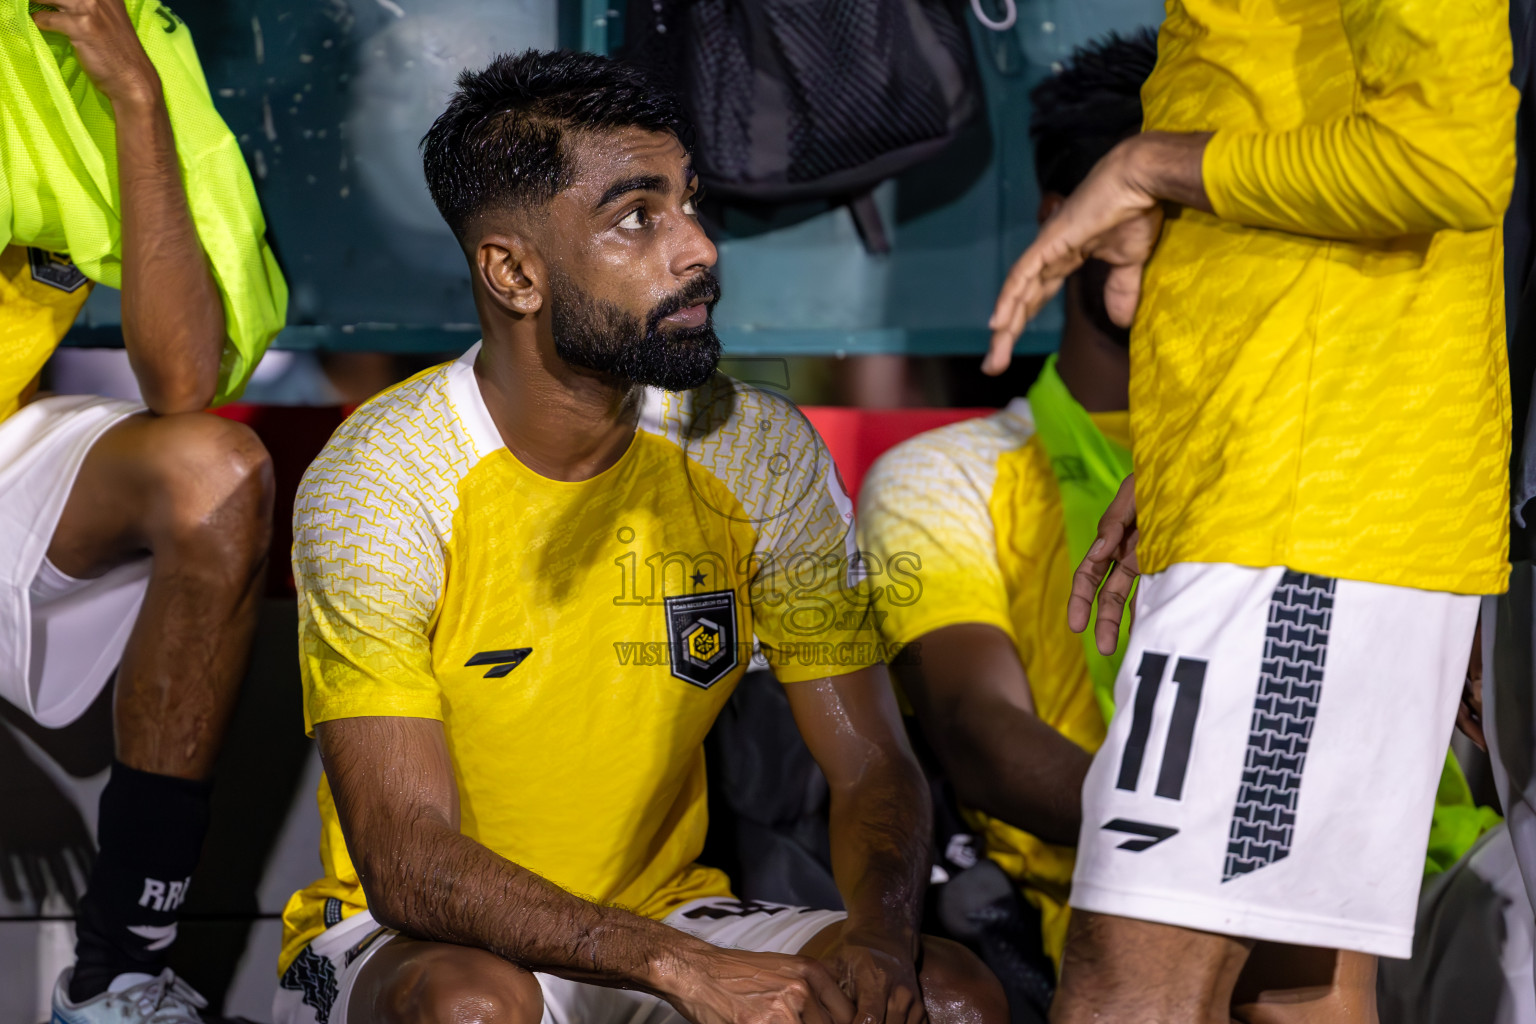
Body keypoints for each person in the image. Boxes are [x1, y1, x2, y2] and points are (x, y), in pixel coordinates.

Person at [274, 50, 1007, 1024]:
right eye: (637, 217)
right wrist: (679, 966)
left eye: (689, 203)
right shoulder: (381, 480)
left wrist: (877, 941)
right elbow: (408, 863)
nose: (698, 247)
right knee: (471, 1010)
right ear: (513, 271)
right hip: (403, 943)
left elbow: (873, 764)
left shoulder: (755, 449)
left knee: (944, 994)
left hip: (666, 913)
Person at [983, 2, 1516, 1022]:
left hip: (1305, 520)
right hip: (1281, 481)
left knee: (1131, 977)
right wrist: (1203, 436)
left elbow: (1443, 158)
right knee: (1293, 985)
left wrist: (1147, 165)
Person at [1, 0, 282, 1021]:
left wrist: (133, 97)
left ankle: (120, 968)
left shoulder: (139, 41)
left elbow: (183, 379)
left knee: (216, 471)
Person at [857, 28, 1151, 975]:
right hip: (1132, 910)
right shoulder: (950, 476)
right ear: (1075, 220)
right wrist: (1203, 844)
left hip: (1429, 873)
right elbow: (977, 733)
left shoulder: (1313, 457)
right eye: (1165, 208)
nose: (1210, 256)